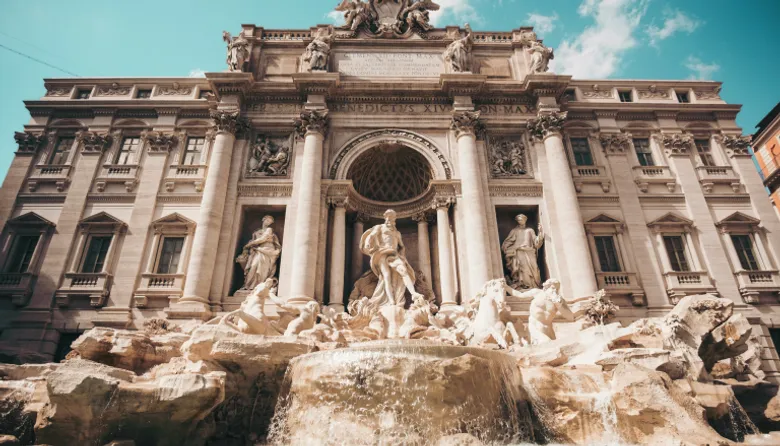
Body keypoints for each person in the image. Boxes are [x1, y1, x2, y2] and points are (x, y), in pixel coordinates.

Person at [360, 209, 424, 307]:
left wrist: (402, 256)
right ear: (385, 218)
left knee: (404, 271)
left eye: (392, 218)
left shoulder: (397, 233)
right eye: (388, 218)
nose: (390, 220)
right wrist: (369, 242)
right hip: (382, 254)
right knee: (386, 276)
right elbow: (372, 235)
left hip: (394, 254)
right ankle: (392, 302)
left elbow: (402, 246)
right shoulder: (380, 227)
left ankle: (413, 293)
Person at [507, 279, 573, 344]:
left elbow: (570, 317)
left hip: (548, 329)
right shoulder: (537, 292)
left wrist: (559, 305)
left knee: (551, 345)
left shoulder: (559, 300)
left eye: (557, 289)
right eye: (553, 288)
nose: (555, 290)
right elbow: (519, 295)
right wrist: (505, 287)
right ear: (546, 287)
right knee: (546, 342)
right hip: (534, 325)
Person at [236, 216, 281, 290]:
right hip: (257, 250)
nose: (268, 223)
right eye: (267, 220)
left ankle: (260, 287)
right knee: (253, 266)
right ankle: (249, 286)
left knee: (262, 269)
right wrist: (250, 245)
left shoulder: (269, 230)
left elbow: (263, 238)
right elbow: (253, 241)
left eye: (270, 222)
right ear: (263, 220)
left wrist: (250, 244)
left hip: (267, 250)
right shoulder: (256, 232)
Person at [501, 214, 544, 289]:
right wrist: (506, 246)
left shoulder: (530, 230)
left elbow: (536, 242)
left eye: (521, 219)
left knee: (534, 268)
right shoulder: (514, 231)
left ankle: (534, 285)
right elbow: (508, 241)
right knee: (522, 269)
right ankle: (523, 285)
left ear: (525, 220)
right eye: (519, 220)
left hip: (529, 252)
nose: (520, 221)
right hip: (518, 252)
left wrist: (540, 233)